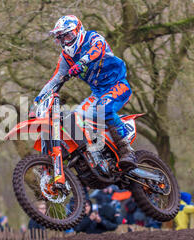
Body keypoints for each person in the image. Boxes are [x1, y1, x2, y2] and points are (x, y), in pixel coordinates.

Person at [35, 15, 136, 183]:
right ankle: (96, 154)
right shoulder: (66, 58)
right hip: (98, 93)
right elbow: (55, 79)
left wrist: (82, 62)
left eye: (68, 36)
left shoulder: (93, 38)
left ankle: (127, 150)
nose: (65, 41)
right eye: (61, 38)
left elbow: (98, 49)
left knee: (103, 108)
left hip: (117, 84)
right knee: (75, 119)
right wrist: (38, 99)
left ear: (78, 31)